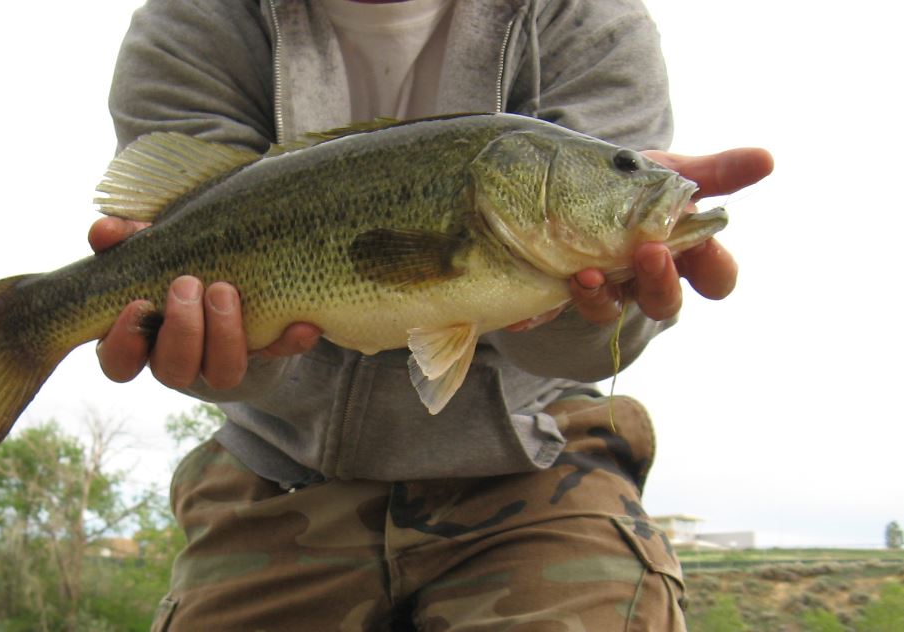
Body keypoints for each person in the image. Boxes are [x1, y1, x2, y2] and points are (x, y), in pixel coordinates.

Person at [90, 1, 773, 629]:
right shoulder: (193, 23)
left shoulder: (585, 18)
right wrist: (224, 361)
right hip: (277, 463)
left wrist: (593, 305)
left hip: (535, 451)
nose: (633, 178)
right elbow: (198, 302)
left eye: (623, 168)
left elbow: (600, 345)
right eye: (622, 170)